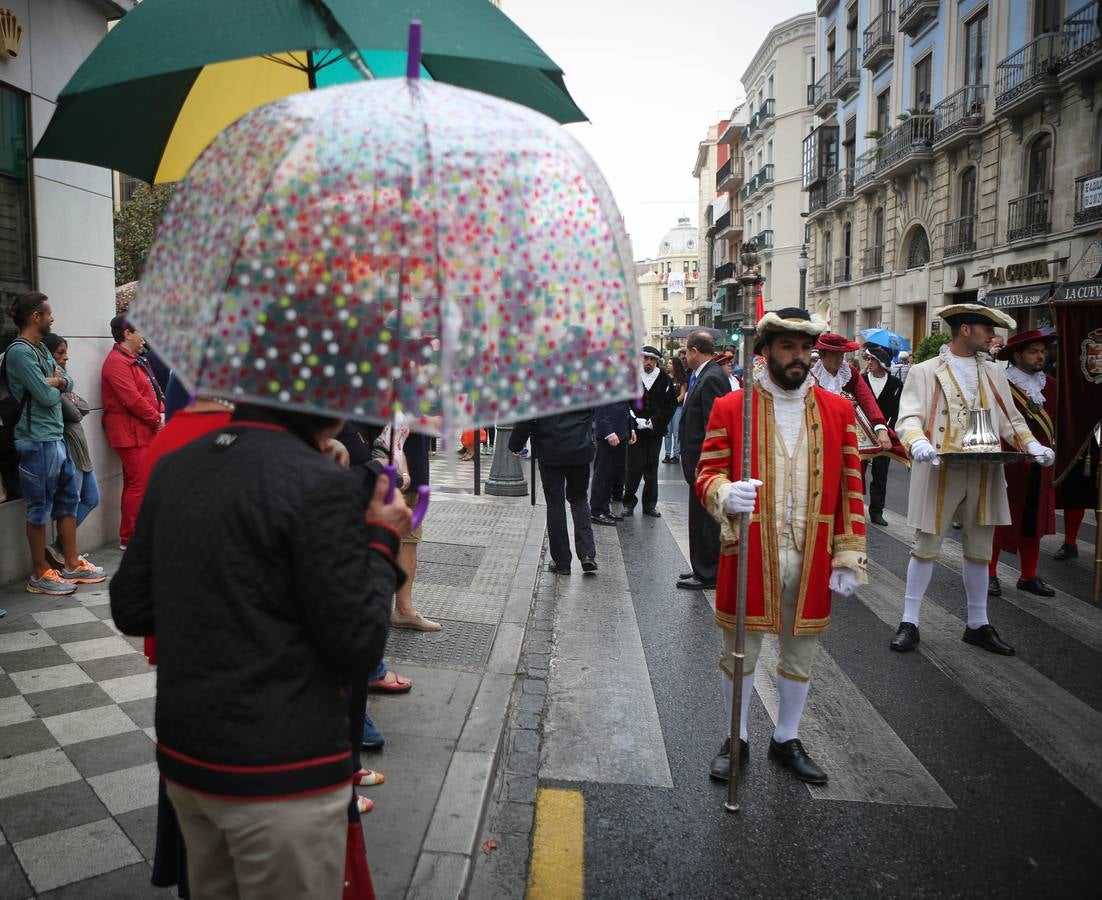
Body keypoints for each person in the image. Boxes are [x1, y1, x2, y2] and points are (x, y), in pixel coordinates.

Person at [110, 403, 410, 900]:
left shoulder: (177, 464)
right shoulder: (319, 483)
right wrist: (380, 541)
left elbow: (132, 607)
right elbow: (357, 645)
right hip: (281, 773)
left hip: (189, 760)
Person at [696, 307, 865, 785]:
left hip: (812, 552)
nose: (799, 357)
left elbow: (852, 485)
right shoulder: (733, 407)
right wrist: (724, 493)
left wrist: (849, 552)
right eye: (788, 347)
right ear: (765, 351)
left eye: (805, 348)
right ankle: (739, 736)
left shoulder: (838, 410)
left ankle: (786, 737)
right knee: (739, 650)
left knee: (801, 652)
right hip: (751, 547)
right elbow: (707, 471)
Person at [890, 303, 1055, 657]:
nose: (993, 337)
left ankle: (978, 624)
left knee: (979, 550)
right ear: (965, 329)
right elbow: (908, 417)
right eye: (986, 330)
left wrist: (1033, 444)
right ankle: (909, 620)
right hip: (940, 466)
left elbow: (1010, 420)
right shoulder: (924, 370)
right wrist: (917, 441)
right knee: (925, 546)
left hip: (985, 467)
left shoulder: (995, 373)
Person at [4, 292, 105, 594]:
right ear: (36, 316)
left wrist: (57, 381)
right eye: (49, 314)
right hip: (35, 441)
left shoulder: (40, 350)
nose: (52, 319)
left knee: (68, 500)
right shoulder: (20, 352)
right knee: (39, 508)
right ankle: (39, 573)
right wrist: (55, 384)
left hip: (54, 438)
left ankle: (71, 563)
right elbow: (48, 396)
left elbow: (67, 382)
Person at [988, 330, 1059, 597]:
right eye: (1033, 351)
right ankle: (990, 573)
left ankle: (1028, 575)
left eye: (1042, 351)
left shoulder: (1050, 384)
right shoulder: (1003, 384)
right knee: (998, 519)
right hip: (1009, 462)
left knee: (1034, 520)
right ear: (1017, 356)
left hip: (1041, 465)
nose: (1040, 355)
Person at [102, 315, 165, 550]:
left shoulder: (136, 359)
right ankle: (131, 539)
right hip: (130, 433)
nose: (143, 338)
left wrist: (161, 411)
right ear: (127, 333)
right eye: (140, 332)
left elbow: (152, 389)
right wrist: (156, 419)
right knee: (138, 484)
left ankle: (134, 535)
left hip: (142, 430)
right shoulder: (116, 362)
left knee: (136, 483)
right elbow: (132, 399)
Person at [510, 409, 598, 575]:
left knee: (555, 504)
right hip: (580, 448)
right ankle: (587, 554)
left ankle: (562, 561)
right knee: (579, 499)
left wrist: (515, 444)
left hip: (551, 448)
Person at [677, 331, 732, 590]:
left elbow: (714, 424)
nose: (685, 357)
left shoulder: (712, 378)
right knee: (698, 518)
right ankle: (700, 566)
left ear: (696, 351)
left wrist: (707, 462)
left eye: (687, 352)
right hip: (695, 460)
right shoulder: (702, 375)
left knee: (706, 520)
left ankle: (709, 572)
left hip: (704, 462)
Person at [42, 334, 100, 551]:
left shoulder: (64, 380)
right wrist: (67, 395)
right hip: (68, 449)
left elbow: (84, 406)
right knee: (69, 505)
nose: (66, 357)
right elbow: (75, 414)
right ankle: (65, 554)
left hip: (81, 451)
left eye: (66, 352)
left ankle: (58, 548)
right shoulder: (50, 382)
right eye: (60, 353)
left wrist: (70, 395)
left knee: (91, 498)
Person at [811, 333, 893, 457]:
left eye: (841, 354)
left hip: (851, 434)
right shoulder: (810, 377)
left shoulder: (850, 373)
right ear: (822, 355)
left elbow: (867, 399)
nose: (839, 359)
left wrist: (881, 427)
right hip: (819, 436)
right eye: (834, 354)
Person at [623, 346, 677, 517]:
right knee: (633, 468)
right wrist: (634, 420)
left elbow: (670, 405)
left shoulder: (664, 379)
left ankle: (649, 505)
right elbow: (625, 402)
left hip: (655, 431)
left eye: (651, 359)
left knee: (652, 468)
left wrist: (654, 422)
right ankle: (629, 503)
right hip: (635, 431)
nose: (648, 362)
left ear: (656, 361)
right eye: (645, 358)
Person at [861, 344, 904, 527]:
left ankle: (877, 511)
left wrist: (888, 428)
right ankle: (853, 508)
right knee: (856, 471)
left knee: (881, 473)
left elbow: (898, 409)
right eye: (868, 359)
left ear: (881, 362)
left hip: (885, 433)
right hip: (861, 433)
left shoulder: (895, 384)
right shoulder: (861, 380)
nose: (869, 362)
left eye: (872, 359)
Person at [590, 400, 635, 526]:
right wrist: (609, 431)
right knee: (602, 473)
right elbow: (600, 408)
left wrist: (631, 429)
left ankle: (605, 508)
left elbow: (626, 406)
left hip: (621, 431)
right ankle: (596, 511)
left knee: (611, 474)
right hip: (608, 434)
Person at [663, 357, 687, 464]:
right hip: (667, 408)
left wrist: (673, 402)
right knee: (667, 432)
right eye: (667, 363)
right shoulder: (665, 378)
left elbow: (682, 394)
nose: (668, 365)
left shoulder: (682, 378)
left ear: (675, 365)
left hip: (677, 408)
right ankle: (667, 455)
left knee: (676, 432)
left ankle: (676, 455)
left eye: (670, 363)